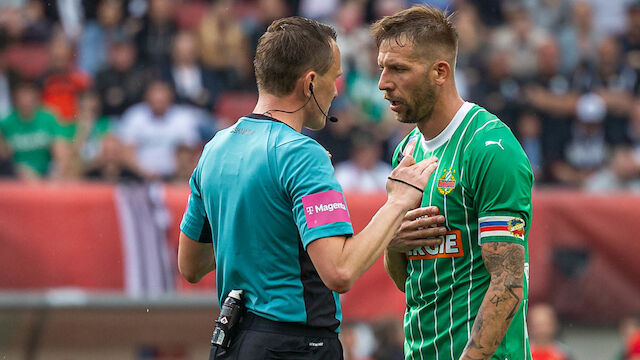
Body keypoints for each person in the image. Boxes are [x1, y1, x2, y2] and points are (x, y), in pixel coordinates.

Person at [177, 16, 442, 360]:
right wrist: (398, 203)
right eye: (335, 79)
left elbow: (191, 265)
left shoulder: (216, 147)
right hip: (295, 347)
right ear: (310, 83)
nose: (336, 91)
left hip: (233, 343)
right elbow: (340, 272)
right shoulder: (302, 155)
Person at [374, 6, 534, 360]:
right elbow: (411, 282)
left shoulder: (490, 148)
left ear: (440, 72)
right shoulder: (407, 152)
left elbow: (507, 284)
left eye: (398, 68)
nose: (384, 83)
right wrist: (392, 242)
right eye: (382, 68)